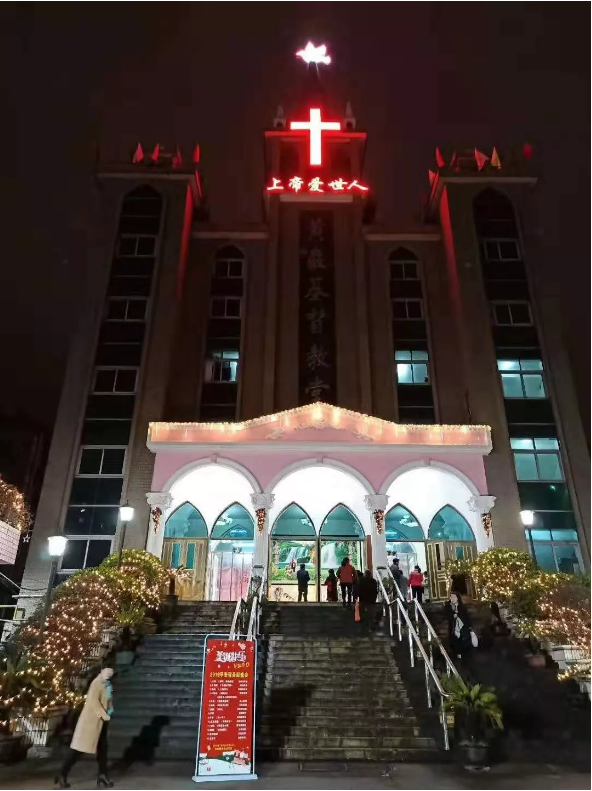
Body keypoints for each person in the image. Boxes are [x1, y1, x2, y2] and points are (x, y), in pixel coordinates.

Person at [56, 667, 115, 789]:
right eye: (108, 671)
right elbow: (93, 701)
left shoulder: (107, 684)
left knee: (103, 749)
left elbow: (108, 700)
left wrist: (110, 710)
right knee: (79, 749)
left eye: (111, 672)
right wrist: (105, 715)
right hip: (92, 721)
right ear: (102, 671)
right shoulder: (96, 683)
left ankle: (102, 775)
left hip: (102, 721)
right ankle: (62, 773)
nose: (110, 673)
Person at [445, 591, 473, 660]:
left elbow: (466, 617)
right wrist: (453, 615)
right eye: (451, 597)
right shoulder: (448, 606)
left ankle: (464, 654)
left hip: (463, 627)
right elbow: (447, 615)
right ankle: (457, 654)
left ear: (457, 598)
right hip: (453, 627)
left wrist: (469, 627)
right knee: (455, 640)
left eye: (454, 597)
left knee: (463, 640)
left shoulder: (461, 606)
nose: (452, 598)